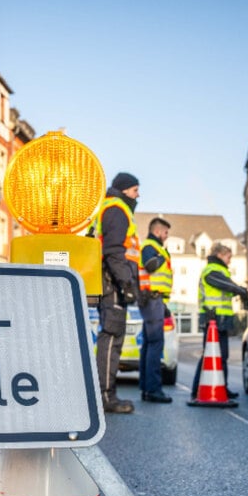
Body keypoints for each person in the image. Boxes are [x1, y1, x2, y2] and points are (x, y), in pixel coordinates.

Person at [94, 172, 141, 413]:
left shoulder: (113, 208)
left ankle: (106, 393)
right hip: (112, 282)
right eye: (135, 190)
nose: (138, 195)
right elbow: (113, 251)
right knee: (111, 336)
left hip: (112, 280)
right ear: (124, 190)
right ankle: (105, 396)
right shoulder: (117, 209)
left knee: (112, 336)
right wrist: (126, 282)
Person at [191, 243, 248, 400]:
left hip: (219, 319)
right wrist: (239, 290)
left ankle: (222, 387)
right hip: (213, 319)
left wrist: (238, 290)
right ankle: (197, 389)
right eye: (228, 257)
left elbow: (225, 288)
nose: (230, 261)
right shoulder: (212, 270)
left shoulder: (220, 271)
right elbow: (222, 283)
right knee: (210, 355)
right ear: (219, 255)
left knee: (221, 356)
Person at [138, 217, 173, 403]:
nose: (167, 237)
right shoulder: (151, 246)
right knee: (155, 344)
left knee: (148, 344)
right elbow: (150, 265)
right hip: (152, 300)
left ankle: (146, 388)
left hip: (153, 300)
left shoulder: (152, 246)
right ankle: (153, 390)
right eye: (166, 233)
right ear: (158, 231)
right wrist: (162, 256)